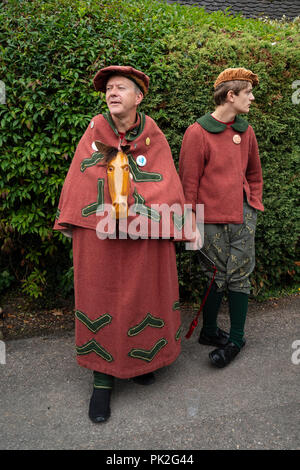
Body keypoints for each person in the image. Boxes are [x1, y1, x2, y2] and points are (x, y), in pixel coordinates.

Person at [54, 66, 189, 422]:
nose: (113, 93)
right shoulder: (94, 131)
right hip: (100, 236)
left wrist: (154, 217)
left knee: (145, 296)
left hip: (143, 235)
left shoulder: (153, 134)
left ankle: (145, 361)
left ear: (138, 97)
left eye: (121, 88)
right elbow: (81, 177)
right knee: (101, 296)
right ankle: (102, 380)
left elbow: (165, 181)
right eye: (109, 89)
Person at [179, 67, 264, 368]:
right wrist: (189, 222)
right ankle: (210, 331)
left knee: (240, 275)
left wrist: (252, 205)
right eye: (248, 93)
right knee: (215, 276)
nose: (252, 98)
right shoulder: (197, 132)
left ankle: (237, 339)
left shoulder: (247, 131)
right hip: (209, 220)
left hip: (242, 217)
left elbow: (254, 173)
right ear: (231, 96)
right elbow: (188, 184)